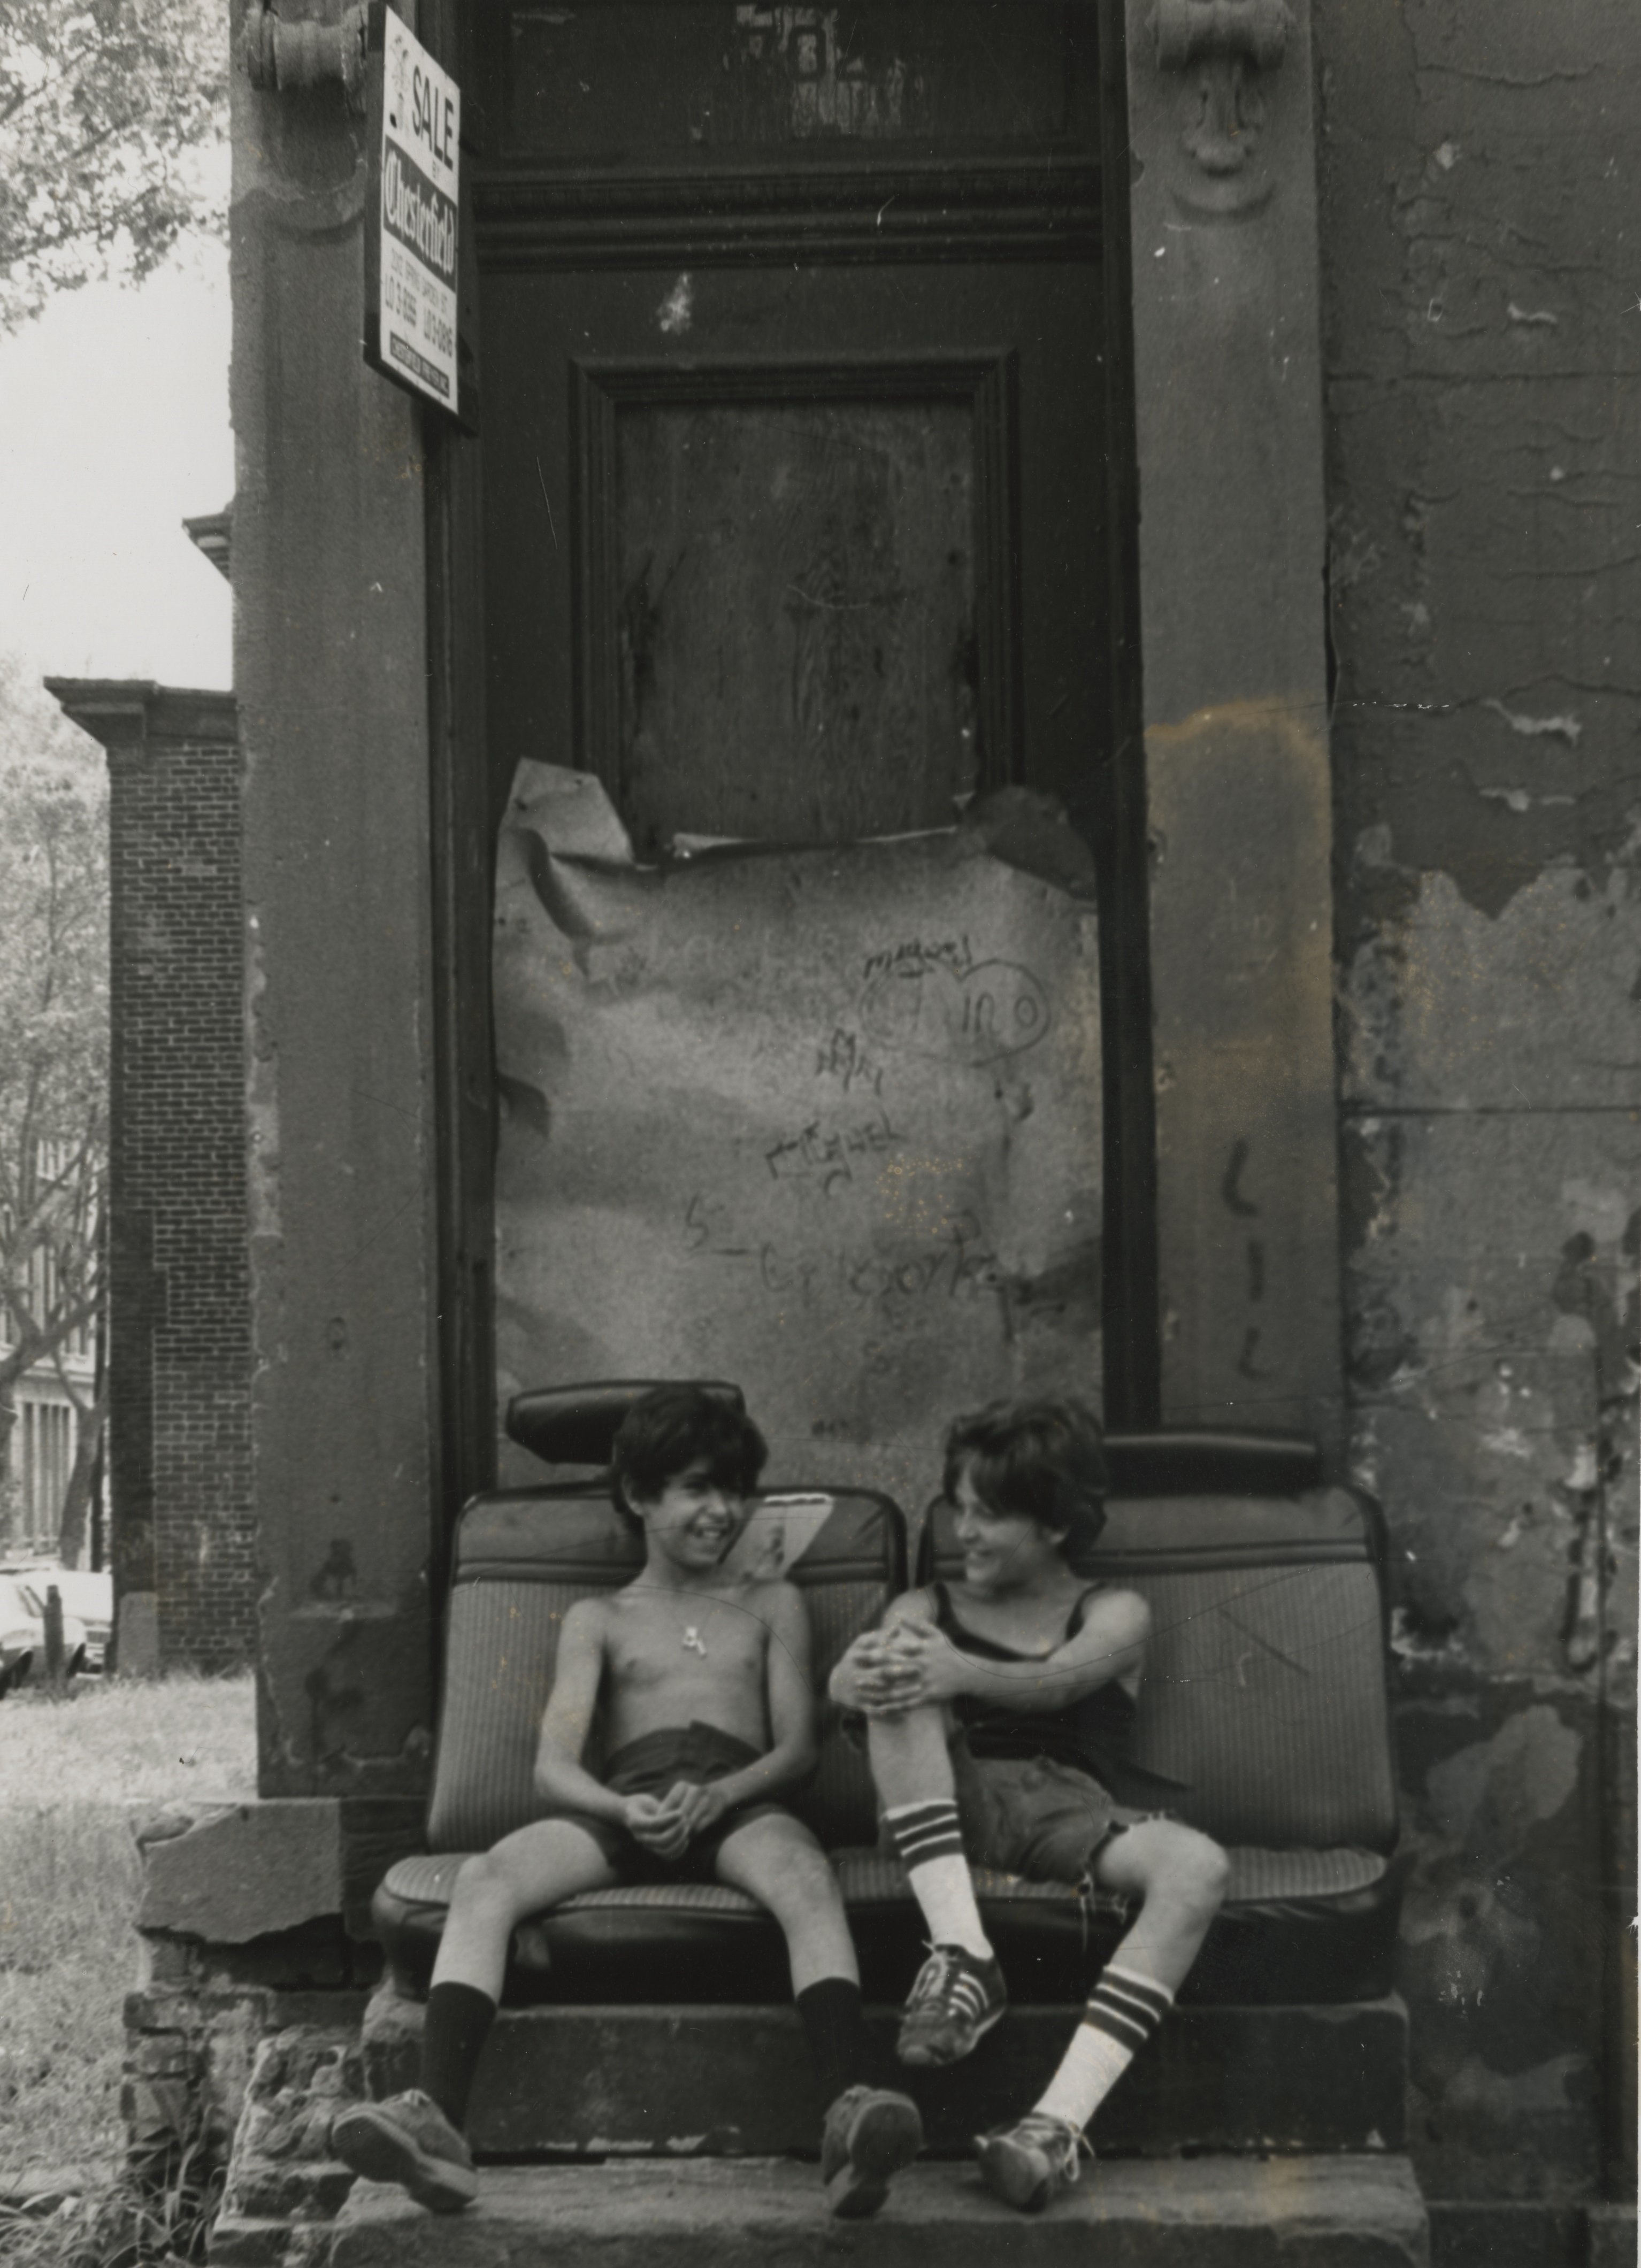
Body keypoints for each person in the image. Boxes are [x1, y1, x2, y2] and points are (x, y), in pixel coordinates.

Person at [332, 1385, 923, 2219]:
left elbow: (796, 1750)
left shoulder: (771, 1603)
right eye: (696, 1489)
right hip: (626, 1802)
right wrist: (619, 1810)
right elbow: (553, 1766)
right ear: (640, 1497)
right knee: (488, 1877)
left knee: (805, 1874)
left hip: (739, 1798)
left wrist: (721, 1793)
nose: (722, 1510)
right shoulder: (600, 1617)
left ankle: (847, 2108)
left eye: (734, 1490)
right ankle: (437, 2124)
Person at [829, 1396, 1229, 2214]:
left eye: (990, 1513)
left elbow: (1063, 1679)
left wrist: (963, 1674)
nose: (963, 1530)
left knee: (1198, 1866)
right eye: (960, 1508)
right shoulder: (925, 1609)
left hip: (1066, 1808)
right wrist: (860, 1674)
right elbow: (844, 1685)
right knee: (900, 1681)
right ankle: (963, 1951)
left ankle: (1049, 2129)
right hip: (947, 1800)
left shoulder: (1114, 1608)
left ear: (1053, 1523)